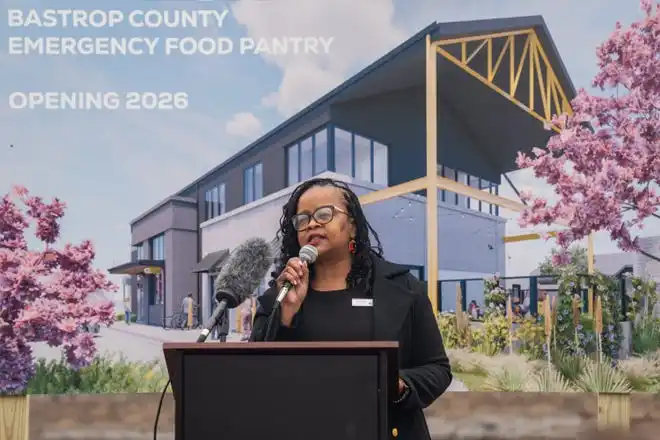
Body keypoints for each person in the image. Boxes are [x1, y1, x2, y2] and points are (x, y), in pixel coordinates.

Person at [251, 177, 452, 440]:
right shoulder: (278, 296)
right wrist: (286, 314)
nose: (312, 223)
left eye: (325, 214)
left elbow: (437, 368)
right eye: (302, 219)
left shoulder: (404, 289)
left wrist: (398, 384)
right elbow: (255, 374)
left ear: (353, 226)